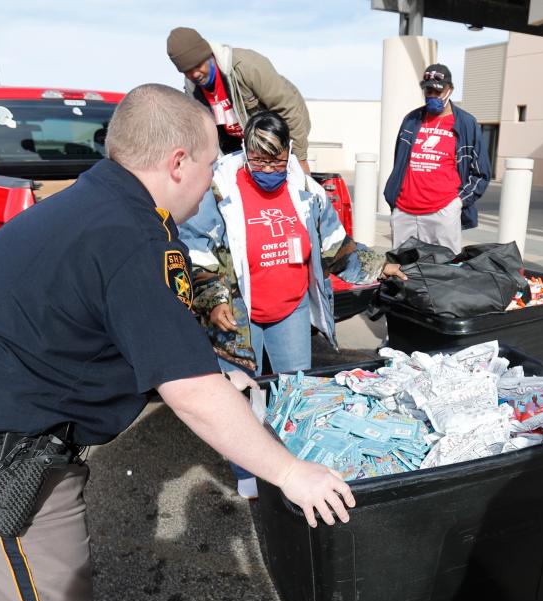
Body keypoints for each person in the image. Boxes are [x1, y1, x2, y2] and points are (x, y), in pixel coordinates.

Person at [0, 84, 354, 601]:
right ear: (179, 162)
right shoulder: (135, 236)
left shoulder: (88, 202)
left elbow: (112, 317)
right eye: (214, 163)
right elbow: (188, 394)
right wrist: (289, 472)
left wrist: (213, 364)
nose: (216, 181)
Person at [179, 110, 406, 498]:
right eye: (259, 161)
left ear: (289, 154)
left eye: (276, 161)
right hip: (239, 314)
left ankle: (296, 462)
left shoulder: (306, 191)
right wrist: (213, 300)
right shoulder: (218, 188)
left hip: (291, 309)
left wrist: (379, 265)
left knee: (296, 394)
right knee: (242, 397)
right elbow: (196, 249)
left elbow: (335, 245)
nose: (268, 169)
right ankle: (248, 469)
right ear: (246, 153)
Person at [166, 26, 313, 173]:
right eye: (187, 71)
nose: (195, 74)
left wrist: (299, 158)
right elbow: (200, 134)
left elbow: (288, 108)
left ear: (208, 55)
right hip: (240, 143)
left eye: (198, 65)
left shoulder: (247, 66)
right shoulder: (193, 91)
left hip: (278, 132)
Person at [383, 63, 491, 253]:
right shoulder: (411, 119)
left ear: (450, 89)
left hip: (442, 211)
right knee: (403, 271)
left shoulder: (466, 123)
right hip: (404, 210)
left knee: (444, 272)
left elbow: (481, 172)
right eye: (428, 90)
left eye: (437, 90)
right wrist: (395, 197)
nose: (432, 95)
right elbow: (399, 161)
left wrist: (458, 202)